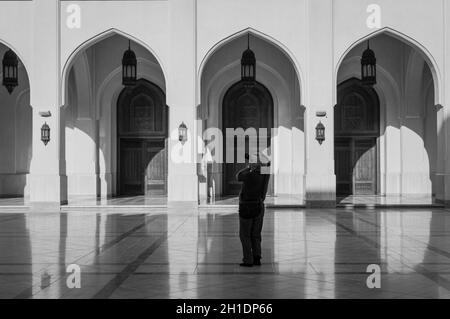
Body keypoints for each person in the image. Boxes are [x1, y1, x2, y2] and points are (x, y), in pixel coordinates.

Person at [236, 152, 271, 267]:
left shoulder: (249, 174)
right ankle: (257, 257)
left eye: (250, 160)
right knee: (256, 234)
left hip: (247, 206)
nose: (248, 162)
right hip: (259, 205)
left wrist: (249, 168)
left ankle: (248, 260)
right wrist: (261, 164)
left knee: (245, 235)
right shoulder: (265, 174)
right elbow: (267, 168)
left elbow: (238, 176)